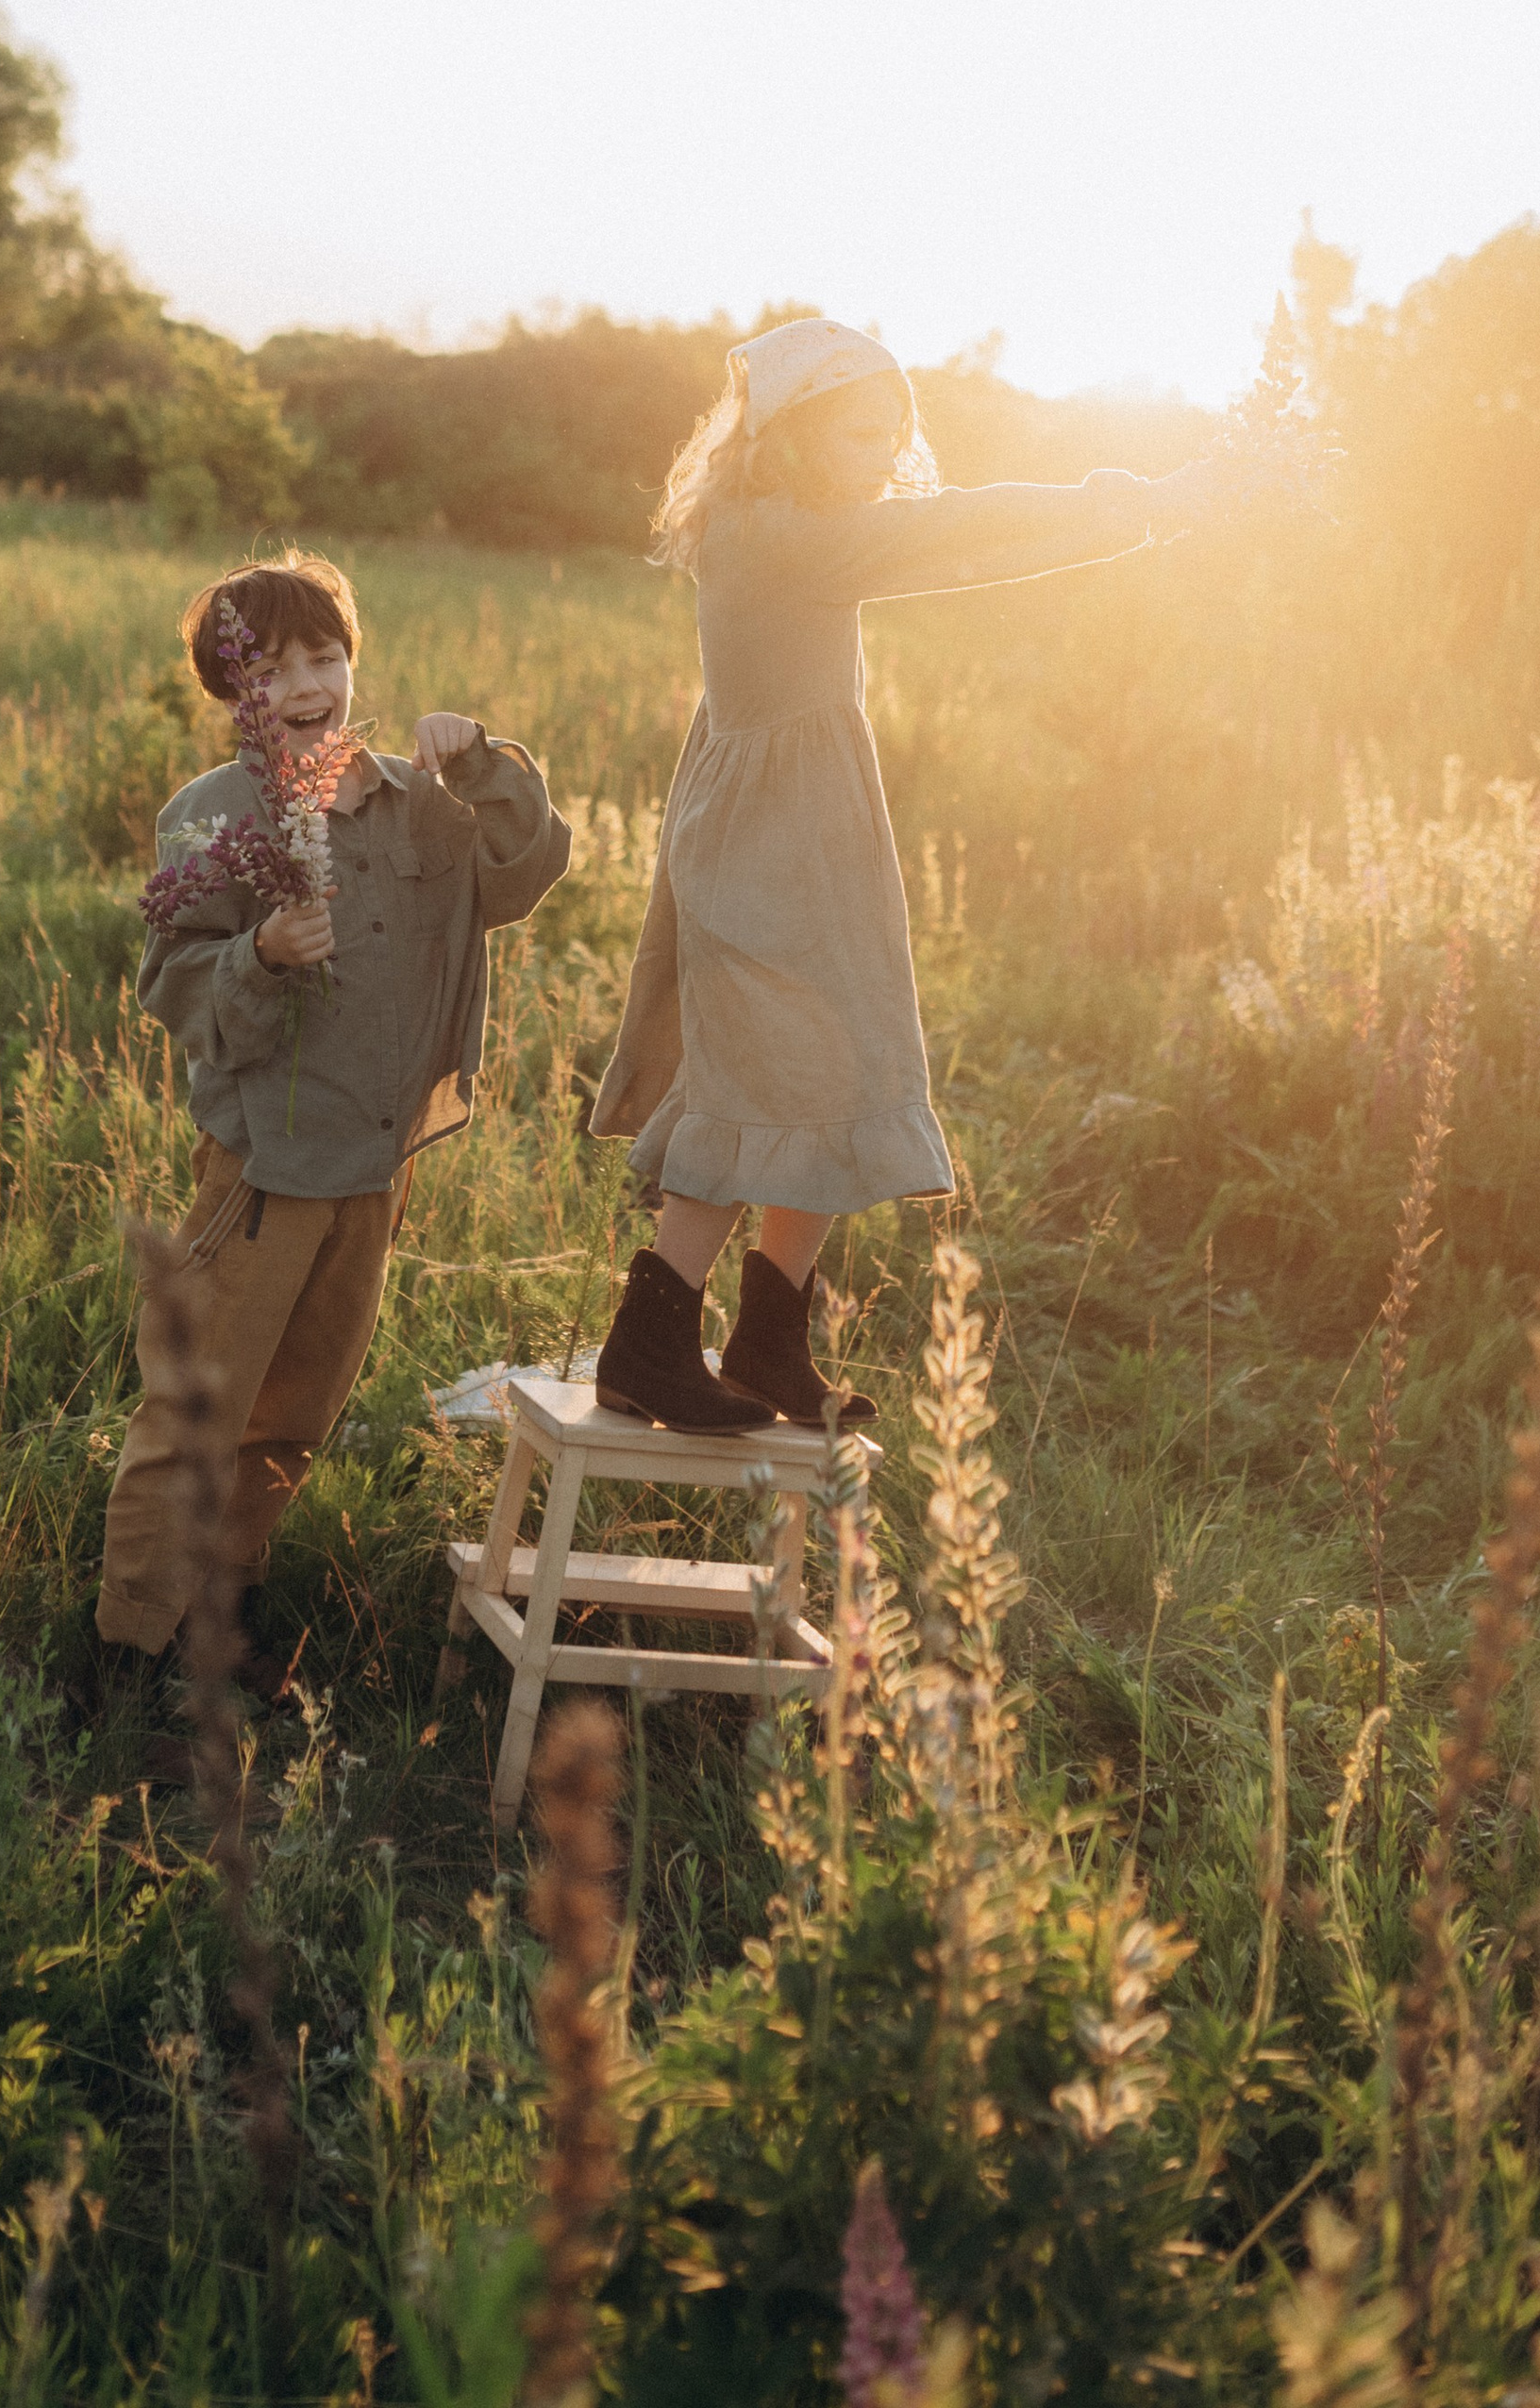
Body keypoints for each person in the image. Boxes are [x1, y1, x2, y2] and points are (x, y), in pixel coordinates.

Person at [589, 318, 1220, 1432]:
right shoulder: (781, 534)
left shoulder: (781, 525)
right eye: (857, 432)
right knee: (756, 1074)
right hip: (774, 847)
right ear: (787, 434)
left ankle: (768, 1344)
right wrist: (1144, 499)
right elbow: (969, 531)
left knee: (832, 1061)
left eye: (892, 431)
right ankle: (647, 1345)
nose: (881, 454)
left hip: (803, 838)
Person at [97, 546, 572, 1692]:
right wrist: (258, 952)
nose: (303, 684)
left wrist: (490, 765)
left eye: (323, 655)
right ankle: (127, 1656)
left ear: (350, 664)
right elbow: (174, 982)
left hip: (374, 1159)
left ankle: (221, 1624)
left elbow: (520, 873)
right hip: (267, 1165)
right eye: (268, 669)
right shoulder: (212, 817)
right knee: (200, 1409)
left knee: (294, 1407)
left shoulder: (419, 797)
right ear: (232, 693)